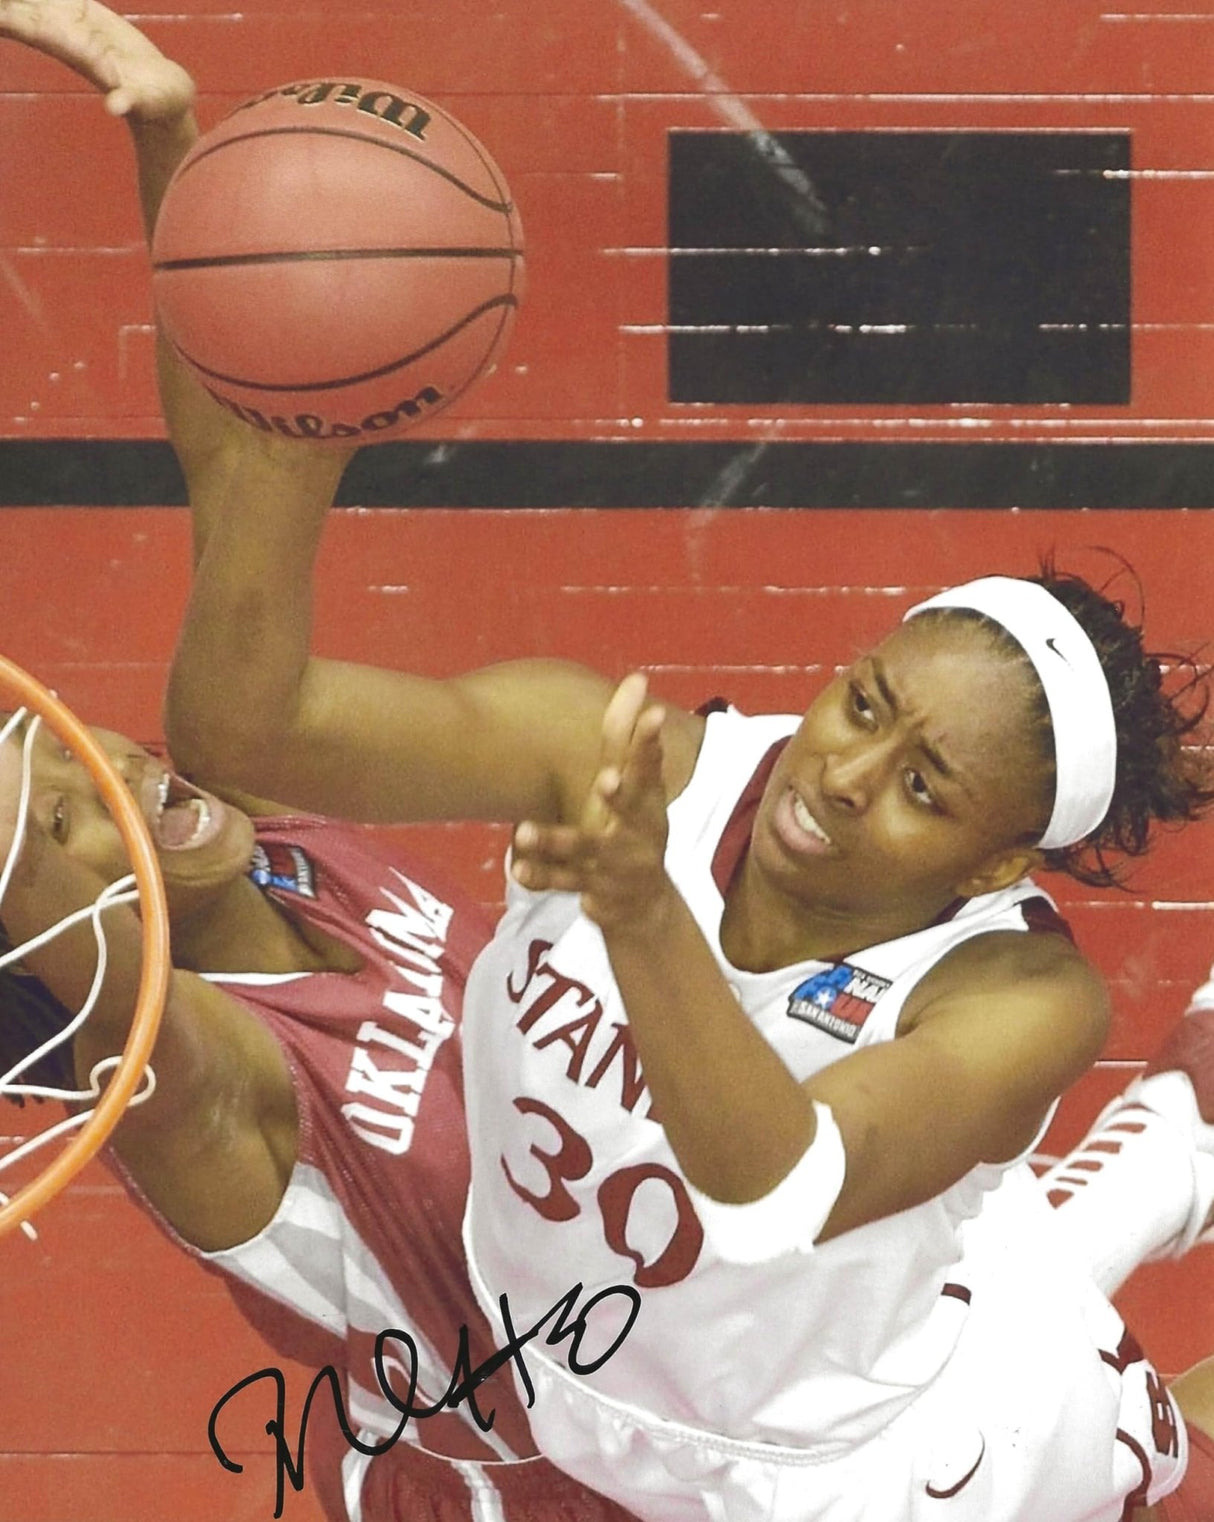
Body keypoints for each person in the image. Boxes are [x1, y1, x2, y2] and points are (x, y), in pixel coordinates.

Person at [3, 4, 1213, 1520]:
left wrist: (202, 205)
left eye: (923, 784)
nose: (843, 773)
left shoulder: (1010, 988)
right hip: (580, 1438)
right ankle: (1180, 1136)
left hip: (850, 1437)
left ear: (998, 863)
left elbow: (776, 1195)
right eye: (861, 704)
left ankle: (1174, 1144)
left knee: (1099, 1363)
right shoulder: (197, 1072)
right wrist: (287, 382)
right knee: (1061, 1237)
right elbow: (206, 752)